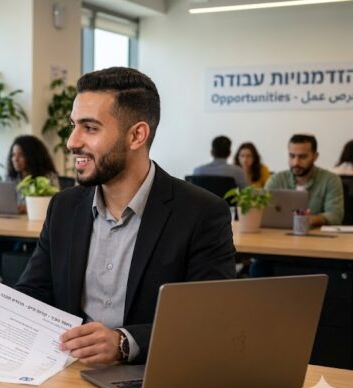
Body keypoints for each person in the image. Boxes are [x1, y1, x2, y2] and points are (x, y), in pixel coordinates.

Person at [15, 67, 236, 366]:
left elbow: (211, 321)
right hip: (68, 375)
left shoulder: (201, 213)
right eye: (73, 125)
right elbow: (33, 292)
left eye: (90, 128)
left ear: (136, 135)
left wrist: (124, 342)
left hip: (151, 376)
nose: (71, 141)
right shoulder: (64, 207)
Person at [0, 135, 60, 280]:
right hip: (12, 229)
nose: (15, 159)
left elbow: (51, 205)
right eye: (13, 155)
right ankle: (12, 283)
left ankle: (18, 285)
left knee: (17, 249)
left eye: (21, 155)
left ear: (32, 156)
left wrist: (26, 208)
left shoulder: (47, 177)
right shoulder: (12, 178)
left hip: (35, 231)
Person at [265, 134, 343, 227]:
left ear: (315, 156)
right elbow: (263, 211)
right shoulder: (276, 180)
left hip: (315, 238)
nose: (296, 162)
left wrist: (310, 219)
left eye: (302, 157)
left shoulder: (331, 180)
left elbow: (335, 216)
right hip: (279, 235)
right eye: (292, 156)